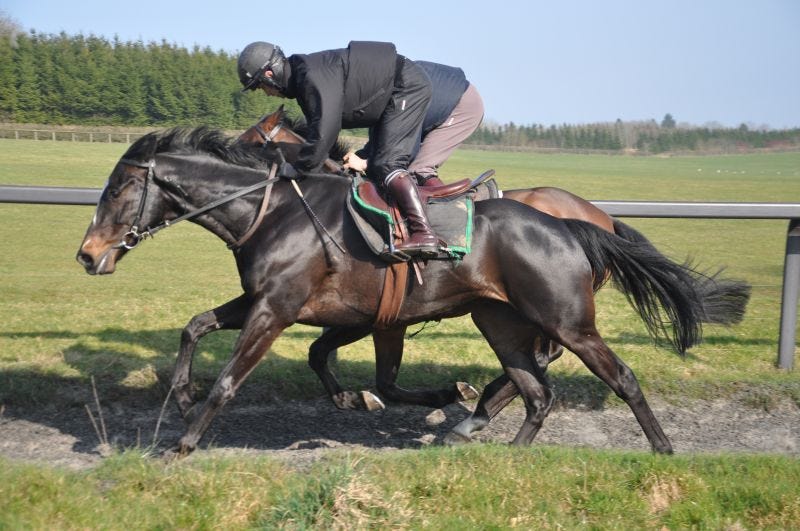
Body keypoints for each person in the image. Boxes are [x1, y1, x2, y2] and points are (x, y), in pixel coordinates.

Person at [237, 40, 438, 256]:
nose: (266, 93)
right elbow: (322, 135)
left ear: (270, 73)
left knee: (388, 164)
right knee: (375, 167)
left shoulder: (310, 77)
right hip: (391, 93)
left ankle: (424, 233)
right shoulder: (303, 77)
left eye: (261, 86)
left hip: (406, 88)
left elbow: (326, 130)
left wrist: (299, 169)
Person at [343, 61, 484, 188]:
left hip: (462, 105)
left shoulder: (397, 103)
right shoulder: (380, 97)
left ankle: (452, 209)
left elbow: (403, 153)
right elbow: (378, 145)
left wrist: (364, 164)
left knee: (419, 170)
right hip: (443, 92)